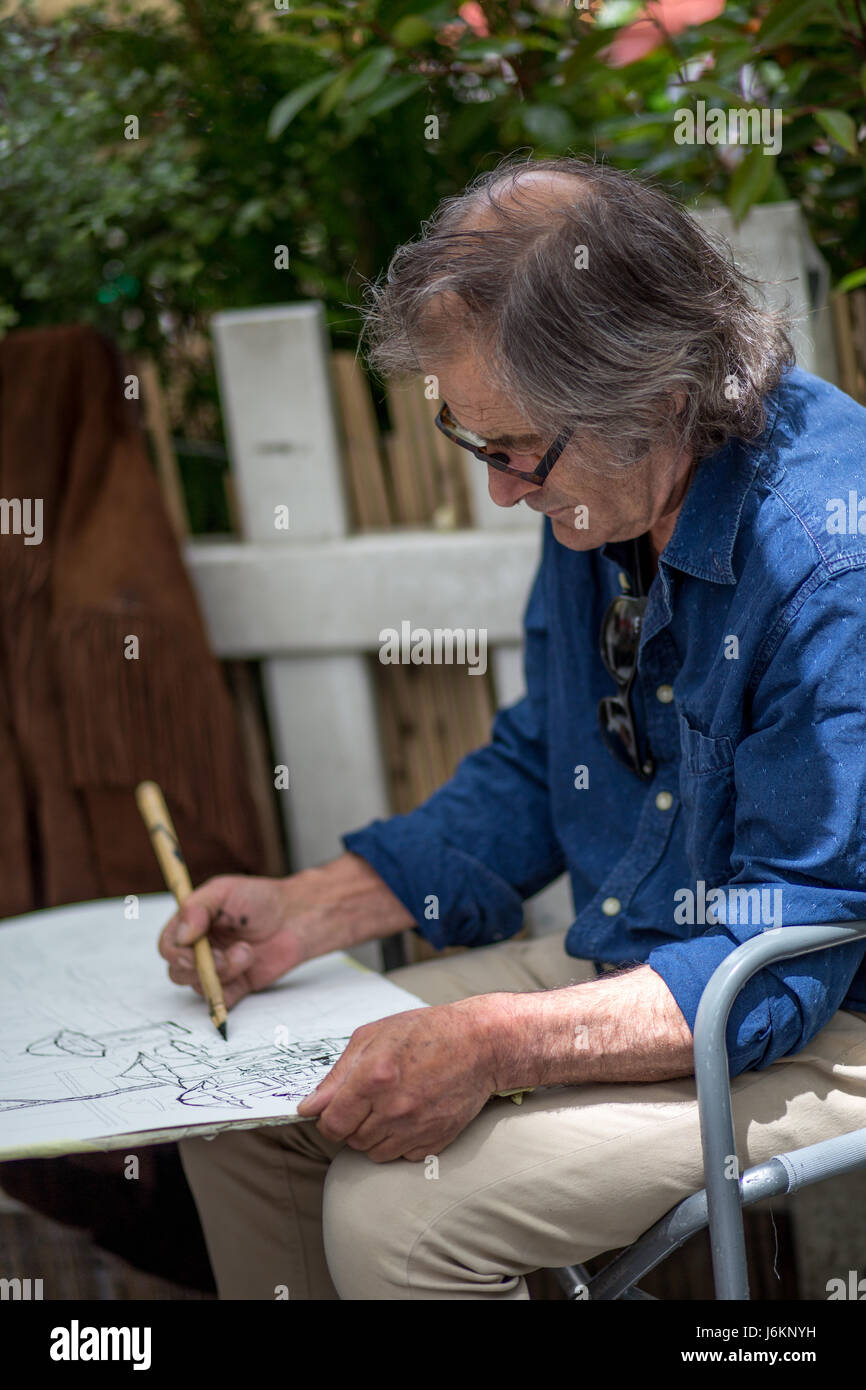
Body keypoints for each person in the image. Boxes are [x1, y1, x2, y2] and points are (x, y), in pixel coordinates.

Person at [163, 156, 866, 1299]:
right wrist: (311, 910)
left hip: (818, 1006)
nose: (498, 490)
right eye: (472, 442)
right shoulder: (603, 479)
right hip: (639, 940)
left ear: (647, 397)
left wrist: (498, 1042)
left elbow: (789, 950)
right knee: (252, 1110)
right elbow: (553, 755)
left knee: (400, 1220)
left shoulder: (832, 556)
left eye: (510, 451)